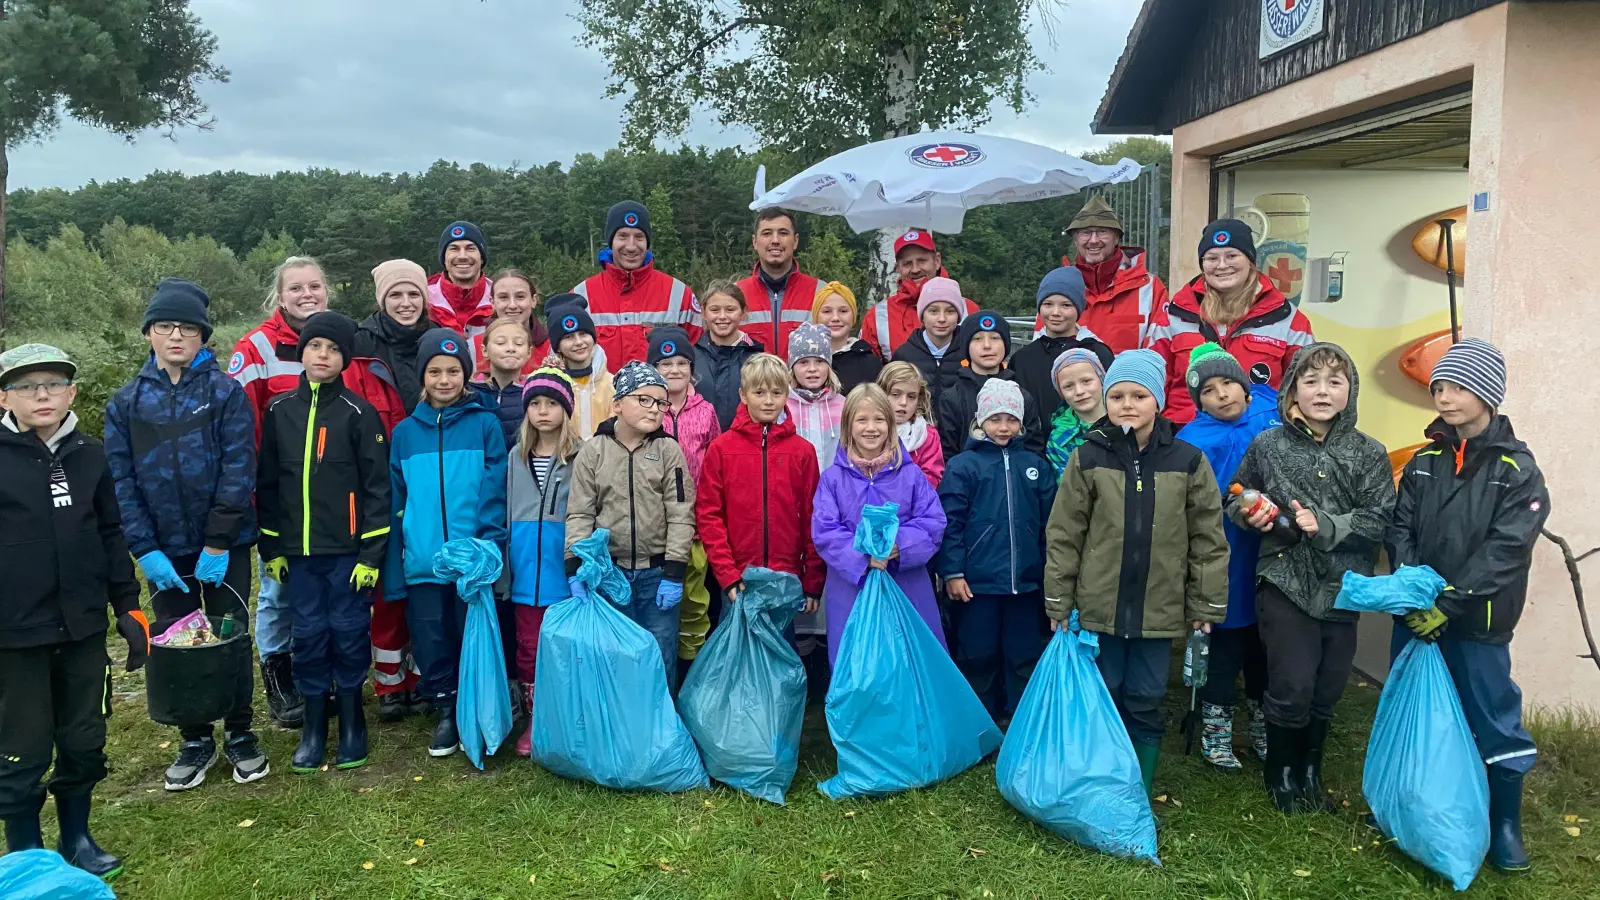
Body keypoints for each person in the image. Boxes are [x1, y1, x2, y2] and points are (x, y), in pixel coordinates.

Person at [1385, 338, 1547, 874]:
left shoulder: (1515, 469)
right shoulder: (1426, 459)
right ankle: (1417, 810)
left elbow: (1507, 548)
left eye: (1459, 387)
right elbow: (1400, 526)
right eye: (1439, 387)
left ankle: (1504, 824)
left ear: (1488, 393)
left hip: (1477, 622)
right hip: (1417, 617)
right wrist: (1413, 591)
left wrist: (1450, 603)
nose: (1446, 398)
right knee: (1420, 713)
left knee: (1491, 717)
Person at [1043, 349, 1229, 796]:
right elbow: (1065, 532)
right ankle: (1099, 779)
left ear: (1159, 401)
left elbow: (1207, 535)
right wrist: (1058, 599)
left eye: (1139, 395)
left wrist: (1204, 603)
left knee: (1146, 697)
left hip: (1158, 608)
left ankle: (1138, 786)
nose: (1128, 404)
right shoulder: (1087, 458)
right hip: (1099, 605)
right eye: (1118, 395)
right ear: (1106, 401)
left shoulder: (1187, 460)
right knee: (1103, 691)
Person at [106, 279, 268, 790]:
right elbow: (121, 480)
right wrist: (144, 549)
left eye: (188, 328)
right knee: (178, 640)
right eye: (165, 327)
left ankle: (241, 731)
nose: (177, 336)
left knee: (230, 634)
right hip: (163, 548)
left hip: (225, 544)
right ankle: (194, 736)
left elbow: (240, 470)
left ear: (203, 336)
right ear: (149, 334)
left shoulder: (225, 393)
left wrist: (219, 541)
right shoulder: (126, 403)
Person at [1229, 342, 1393, 813]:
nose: (1322, 391)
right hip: (1286, 581)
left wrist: (1329, 525)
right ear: (1292, 389)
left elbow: (1379, 521)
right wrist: (1251, 514)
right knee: (1293, 682)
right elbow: (1236, 495)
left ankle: (1310, 769)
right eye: (1311, 381)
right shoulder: (1269, 445)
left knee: (1328, 685)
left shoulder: (1368, 453)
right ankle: (1280, 771)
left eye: (1334, 382)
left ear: (1351, 391)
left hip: (1345, 584)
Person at [0, 344, 143, 878]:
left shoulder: (90, 455)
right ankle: (27, 852)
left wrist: (128, 607)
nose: (42, 395)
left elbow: (110, 534)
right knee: (22, 749)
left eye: (53, 384)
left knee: (84, 740)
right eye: (28, 386)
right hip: (15, 635)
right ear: (4, 396)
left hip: (82, 627)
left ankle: (77, 835)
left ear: (71, 393)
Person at [256, 312, 390, 774]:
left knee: (349, 632)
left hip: (348, 554)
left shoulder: (358, 413)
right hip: (298, 555)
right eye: (316, 347)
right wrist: (271, 547)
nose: (323, 355)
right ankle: (315, 725)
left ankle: (353, 721)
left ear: (343, 359)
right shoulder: (279, 412)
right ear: (303, 351)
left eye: (333, 350)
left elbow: (377, 488)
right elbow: (268, 483)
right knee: (308, 635)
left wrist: (371, 553)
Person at [384, 329, 509, 758]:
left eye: (453, 371)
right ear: (422, 377)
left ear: (466, 375)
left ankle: (474, 704)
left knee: (467, 633)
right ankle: (444, 708)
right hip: (421, 560)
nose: (443, 380)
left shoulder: (485, 424)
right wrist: (396, 561)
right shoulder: (404, 433)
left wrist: (487, 545)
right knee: (431, 636)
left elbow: (495, 489)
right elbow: (397, 500)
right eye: (434, 372)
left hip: (470, 561)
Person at [230, 256, 330, 730]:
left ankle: (319, 670)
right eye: (296, 288)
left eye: (314, 286)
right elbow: (241, 428)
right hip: (279, 493)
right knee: (278, 589)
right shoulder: (255, 348)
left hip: (330, 496)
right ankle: (278, 676)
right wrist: (255, 494)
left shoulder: (335, 340)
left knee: (323, 587)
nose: (306, 294)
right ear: (279, 295)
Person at [1175, 344, 1281, 772]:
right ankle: (1216, 728)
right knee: (1223, 642)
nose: (1222, 395)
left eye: (1228, 384)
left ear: (1245, 385)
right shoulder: (1192, 440)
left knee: (1267, 645)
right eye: (1209, 391)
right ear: (1198, 401)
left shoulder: (1271, 415)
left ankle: (1262, 723)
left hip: (1274, 549)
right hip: (1225, 556)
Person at [565, 361, 696, 692]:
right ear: (618, 404)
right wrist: (575, 566)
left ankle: (661, 732)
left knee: (659, 656)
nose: (655, 410)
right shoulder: (593, 452)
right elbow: (579, 513)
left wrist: (674, 572)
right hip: (611, 576)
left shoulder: (669, 451)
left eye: (661, 402)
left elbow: (681, 513)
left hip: (657, 578)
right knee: (614, 658)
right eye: (644, 400)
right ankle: (620, 733)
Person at [937, 379, 1055, 722]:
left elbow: (1049, 525)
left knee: (1023, 652)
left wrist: (1047, 573)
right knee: (978, 653)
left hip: (1025, 583)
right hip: (977, 585)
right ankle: (979, 719)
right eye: (995, 419)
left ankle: (1020, 719)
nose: (1004, 427)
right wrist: (953, 571)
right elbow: (951, 522)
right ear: (980, 421)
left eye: (1011, 419)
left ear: (1021, 422)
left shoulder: (1035, 465)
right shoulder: (964, 465)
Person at [812, 384, 949, 668]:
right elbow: (824, 531)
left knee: (911, 661)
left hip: (906, 585)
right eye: (862, 420)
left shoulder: (911, 475)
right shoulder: (833, 479)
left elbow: (933, 521)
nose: (871, 428)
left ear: (890, 424)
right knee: (859, 662)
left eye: (879, 420)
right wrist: (863, 556)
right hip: (853, 589)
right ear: (848, 426)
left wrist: (899, 545)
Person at [695, 352, 825, 645]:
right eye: (759, 392)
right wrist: (727, 574)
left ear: (786, 395)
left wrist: (813, 580)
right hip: (738, 581)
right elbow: (709, 515)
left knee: (781, 656)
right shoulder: (721, 449)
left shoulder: (802, 451)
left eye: (777, 392)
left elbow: (814, 517)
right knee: (737, 660)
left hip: (785, 579)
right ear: (743, 395)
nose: (768, 400)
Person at [353, 259, 433, 720]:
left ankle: (423, 675)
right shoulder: (362, 344)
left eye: (413, 295)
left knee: (424, 583)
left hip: (427, 472)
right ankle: (389, 684)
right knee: (387, 586)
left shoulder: (437, 338)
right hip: (379, 479)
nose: (406, 304)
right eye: (396, 296)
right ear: (381, 299)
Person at [1145, 220, 1315, 424]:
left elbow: (1307, 386)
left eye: (1232, 256)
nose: (1222, 265)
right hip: (1185, 438)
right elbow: (1152, 383)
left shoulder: (1287, 318)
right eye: (1212, 258)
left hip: (1260, 438)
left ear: (1250, 260)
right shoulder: (1174, 316)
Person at [504, 368, 581, 757]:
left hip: (566, 579)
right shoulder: (515, 458)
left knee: (565, 651)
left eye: (552, 403)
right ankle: (536, 720)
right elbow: (504, 515)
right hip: (524, 580)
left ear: (566, 409)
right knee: (529, 650)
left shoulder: (581, 456)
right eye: (535, 403)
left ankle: (567, 718)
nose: (543, 412)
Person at [650, 326, 721, 672]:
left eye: (681, 363)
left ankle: (690, 672)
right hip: (653, 530)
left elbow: (714, 466)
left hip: (693, 529)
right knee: (656, 605)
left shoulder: (705, 411)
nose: (674, 370)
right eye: (665, 364)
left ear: (693, 369)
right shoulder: (646, 410)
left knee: (694, 601)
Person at [572, 201, 699, 366]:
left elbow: (699, 358)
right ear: (611, 241)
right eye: (623, 236)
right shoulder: (580, 297)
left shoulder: (680, 295)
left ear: (647, 242)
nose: (631, 247)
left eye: (639, 237)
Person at [1038, 196, 1169, 355]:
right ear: (1075, 240)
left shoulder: (1150, 288)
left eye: (1102, 232)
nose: (1093, 240)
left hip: (1127, 379)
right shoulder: (1058, 286)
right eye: (1086, 232)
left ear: (1116, 238)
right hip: (1068, 380)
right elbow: (1040, 347)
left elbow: (1159, 351)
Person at [934, 310, 1045, 460]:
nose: (987, 346)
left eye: (995, 338)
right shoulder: (952, 398)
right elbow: (947, 455)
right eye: (977, 339)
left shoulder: (1022, 396)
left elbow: (1034, 450)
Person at [1012, 266, 1113, 422]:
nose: (1056, 312)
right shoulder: (1022, 360)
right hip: (1034, 444)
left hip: (1088, 443)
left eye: (1066, 305)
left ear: (1079, 309)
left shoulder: (1098, 353)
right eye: (1048, 304)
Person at [860, 230, 976, 358]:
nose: (915, 269)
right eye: (907, 264)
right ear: (897, 267)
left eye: (922, 261)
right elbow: (868, 370)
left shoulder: (968, 309)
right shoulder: (876, 316)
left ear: (937, 261)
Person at [738, 208, 824, 359]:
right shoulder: (735, 295)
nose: (775, 240)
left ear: (795, 241)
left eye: (783, 233)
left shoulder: (821, 293)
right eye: (767, 233)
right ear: (755, 242)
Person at [693, 278, 763, 430]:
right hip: (701, 449)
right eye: (715, 310)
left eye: (730, 310)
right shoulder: (690, 358)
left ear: (743, 312)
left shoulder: (758, 359)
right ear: (704, 312)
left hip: (745, 448)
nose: (722, 316)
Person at [889, 275, 968, 409]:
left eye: (950, 311)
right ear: (922, 315)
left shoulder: (969, 352)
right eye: (933, 311)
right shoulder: (904, 355)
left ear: (958, 316)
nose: (942, 318)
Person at [544, 294, 614, 437]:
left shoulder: (612, 385)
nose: (578, 342)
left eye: (583, 334)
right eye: (568, 337)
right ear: (557, 347)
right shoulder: (551, 386)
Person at [786, 323, 846, 474]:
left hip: (834, 488)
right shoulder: (783, 408)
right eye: (803, 362)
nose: (812, 369)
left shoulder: (843, 406)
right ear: (792, 368)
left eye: (819, 361)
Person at [427, 221, 496, 347]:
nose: (462, 256)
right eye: (454, 249)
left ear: (482, 257)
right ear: (444, 258)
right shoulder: (422, 301)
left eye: (470, 248)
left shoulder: (502, 299)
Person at [470, 318, 535, 450]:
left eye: (518, 344)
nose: (510, 349)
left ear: (529, 352)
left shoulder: (534, 393)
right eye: (501, 343)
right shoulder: (469, 393)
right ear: (484, 351)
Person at [471, 269, 551, 376]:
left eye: (520, 297)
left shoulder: (552, 347)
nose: (512, 305)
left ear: (533, 300)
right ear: (492, 302)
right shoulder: (474, 347)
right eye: (503, 297)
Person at [877, 361, 943, 488]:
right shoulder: (869, 430)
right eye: (895, 394)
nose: (903, 402)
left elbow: (932, 477)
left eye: (911, 396)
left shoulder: (927, 435)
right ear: (880, 394)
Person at [1044, 348, 1106, 480]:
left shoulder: (1127, 422)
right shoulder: (1059, 440)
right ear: (1060, 392)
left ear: (1101, 379)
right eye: (1068, 386)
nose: (1079, 391)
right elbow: (1070, 490)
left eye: (1086, 381)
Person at [812, 281, 882, 394]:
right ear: (816, 317)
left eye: (843, 311)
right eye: (827, 311)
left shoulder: (869, 363)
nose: (835, 318)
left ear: (853, 315)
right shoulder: (803, 359)